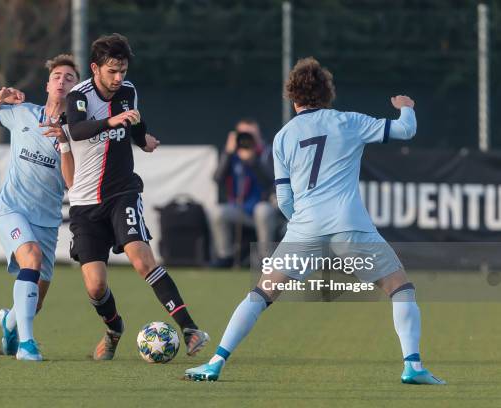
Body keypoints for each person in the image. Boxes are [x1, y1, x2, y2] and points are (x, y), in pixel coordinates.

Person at [185, 57, 445, 385]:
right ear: (328, 94)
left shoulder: (282, 137)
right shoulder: (348, 121)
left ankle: (215, 363)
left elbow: (283, 200)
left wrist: (305, 228)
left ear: (293, 98)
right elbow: (406, 130)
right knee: (399, 288)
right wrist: (406, 107)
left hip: (304, 230)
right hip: (350, 226)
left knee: (260, 295)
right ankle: (413, 367)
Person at [61, 33, 209, 360]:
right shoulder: (79, 96)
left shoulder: (128, 91)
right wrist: (112, 120)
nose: (118, 78)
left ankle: (190, 328)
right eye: (112, 71)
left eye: (123, 71)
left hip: (122, 192)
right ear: (95, 68)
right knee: (95, 286)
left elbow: (134, 120)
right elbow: (77, 130)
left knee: (142, 260)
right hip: (85, 203)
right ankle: (114, 329)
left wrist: (143, 140)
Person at [0, 55, 79, 361]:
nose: (62, 81)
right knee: (30, 259)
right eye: (57, 76)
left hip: (47, 220)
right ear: (48, 84)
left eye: (69, 78)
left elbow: (72, 183)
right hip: (11, 208)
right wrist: (0, 96)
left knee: (35, 303)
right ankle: (26, 344)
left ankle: (9, 324)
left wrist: (64, 143)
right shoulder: (22, 113)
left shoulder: (76, 130)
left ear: (75, 90)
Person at [210, 119, 277, 267]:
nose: (246, 138)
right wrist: (227, 153)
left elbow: (271, 181)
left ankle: (265, 259)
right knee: (217, 212)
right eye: (243, 134)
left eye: (250, 134)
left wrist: (253, 161)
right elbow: (217, 178)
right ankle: (225, 257)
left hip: (263, 206)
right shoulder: (232, 155)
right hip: (240, 208)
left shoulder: (267, 153)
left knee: (262, 211)